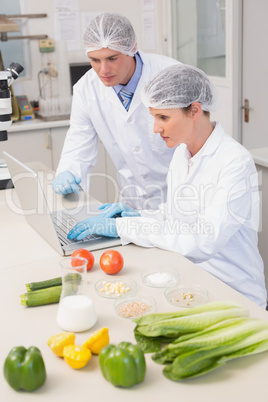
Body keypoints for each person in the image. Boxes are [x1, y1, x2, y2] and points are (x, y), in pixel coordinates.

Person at [67, 63, 267, 308]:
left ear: (194, 110)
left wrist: (124, 227)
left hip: (234, 291)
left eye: (163, 117)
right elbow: (178, 217)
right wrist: (140, 215)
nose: (155, 128)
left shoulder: (234, 161)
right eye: (154, 117)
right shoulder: (182, 153)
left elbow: (203, 240)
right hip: (193, 280)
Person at [52, 12, 180, 210]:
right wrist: (68, 171)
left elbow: (196, 143)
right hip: (132, 203)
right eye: (95, 60)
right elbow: (78, 145)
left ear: (132, 48)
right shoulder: (86, 89)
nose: (104, 70)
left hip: (181, 198)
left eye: (112, 58)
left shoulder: (171, 75)